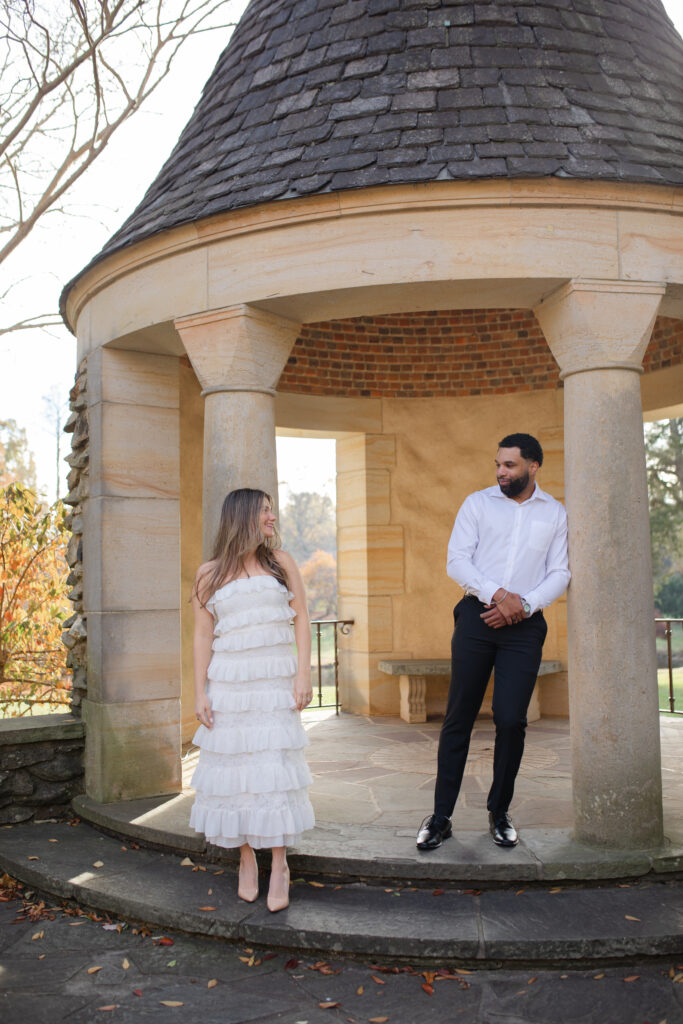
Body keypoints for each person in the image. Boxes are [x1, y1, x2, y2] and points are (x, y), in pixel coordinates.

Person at [416, 433, 570, 852]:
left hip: (525, 626)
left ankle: (499, 812)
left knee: (510, 719)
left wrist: (525, 604)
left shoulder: (555, 513)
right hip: (477, 616)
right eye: (498, 465)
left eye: (510, 466)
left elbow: (560, 571)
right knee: (458, 716)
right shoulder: (477, 503)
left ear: (533, 466)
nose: (501, 472)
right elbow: (457, 560)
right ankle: (441, 817)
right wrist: (500, 596)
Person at [190, 488, 314, 912]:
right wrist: (199, 691)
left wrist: (303, 673)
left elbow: (302, 620)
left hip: (274, 684)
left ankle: (279, 863)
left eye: (271, 509)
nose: (272, 517)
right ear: (242, 517)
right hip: (229, 686)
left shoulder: (281, 565)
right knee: (237, 773)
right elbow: (202, 635)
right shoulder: (208, 574)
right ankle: (247, 859)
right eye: (264, 511)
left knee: (273, 770)